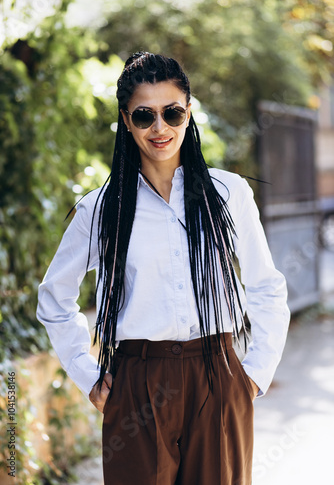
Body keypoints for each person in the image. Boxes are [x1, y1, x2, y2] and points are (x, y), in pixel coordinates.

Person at [37, 52, 290, 485]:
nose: (160, 128)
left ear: (188, 114)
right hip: (137, 383)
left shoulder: (228, 194)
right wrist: (87, 374)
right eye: (144, 115)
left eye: (172, 112)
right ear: (126, 120)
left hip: (219, 375)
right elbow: (54, 298)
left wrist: (252, 378)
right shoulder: (101, 209)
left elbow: (266, 286)